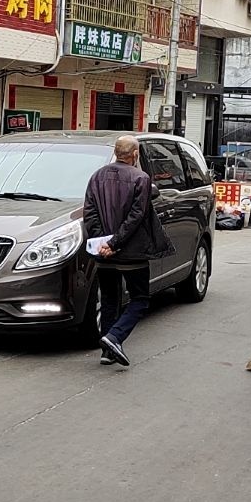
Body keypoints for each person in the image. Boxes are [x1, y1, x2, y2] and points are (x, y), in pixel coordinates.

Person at [84, 136, 174, 368]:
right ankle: (114, 338)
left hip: (103, 251)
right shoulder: (140, 178)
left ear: (115, 153)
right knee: (140, 299)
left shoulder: (97, 176)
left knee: (110, 299)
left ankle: (107, 352)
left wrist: (102, 243)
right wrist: (114, 243)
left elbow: (90, 213)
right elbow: (137, 217)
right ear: (135, 154)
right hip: (131, 252)